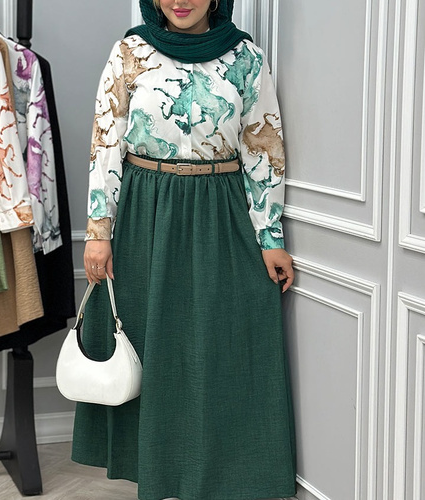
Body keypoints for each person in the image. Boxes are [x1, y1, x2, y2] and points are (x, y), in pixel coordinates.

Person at [72, 1, 297, 499]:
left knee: (220, 342)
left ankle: (222, 472)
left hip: (222, 210)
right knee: (151, 344)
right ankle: (158, 470)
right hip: (144, 210)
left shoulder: (245, 57)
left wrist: (270, 236)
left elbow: (263, 149)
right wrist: (99, 231)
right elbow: (106, 142)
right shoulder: (130, 50)